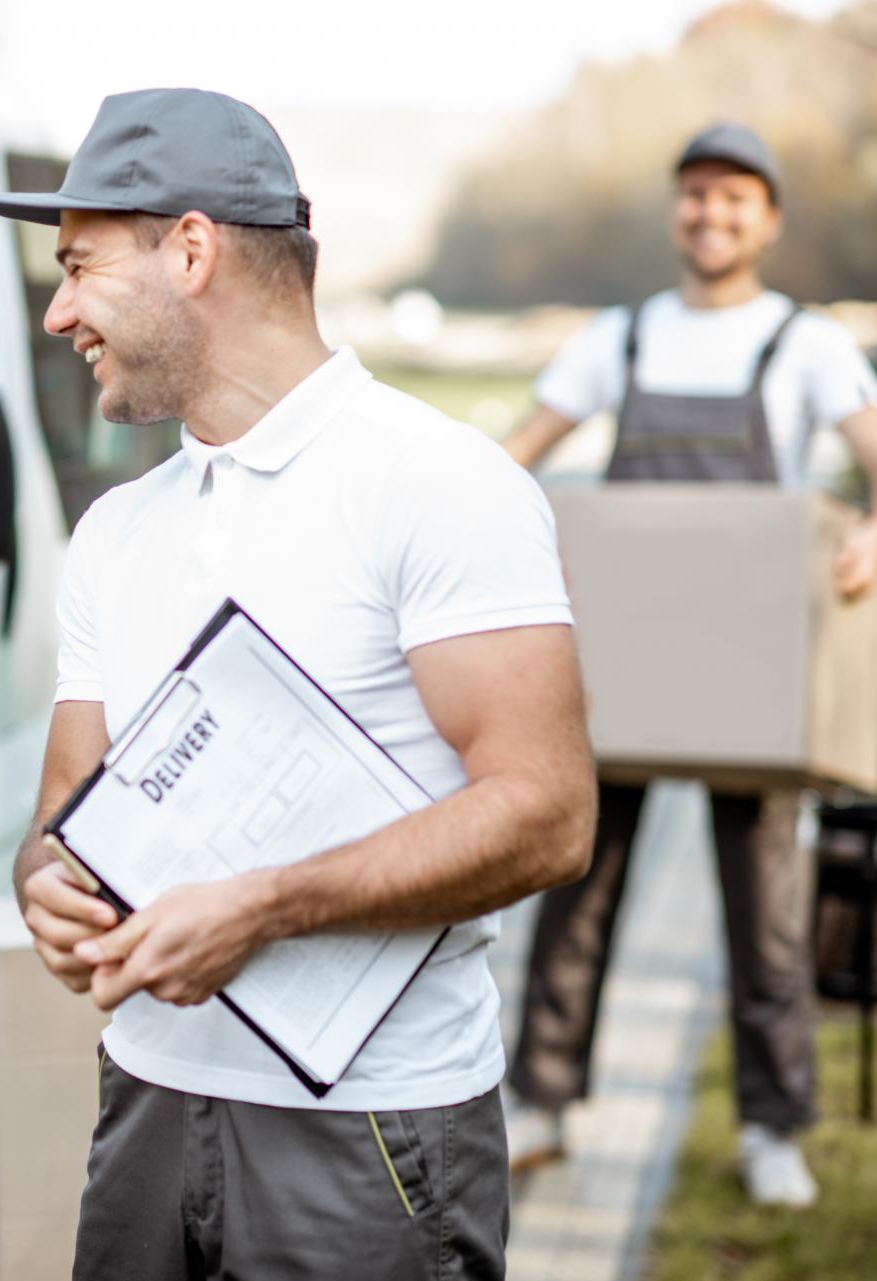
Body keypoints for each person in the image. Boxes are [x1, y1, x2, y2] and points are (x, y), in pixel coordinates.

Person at [0, 90, 596, 1279]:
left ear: (191, 250)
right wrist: (46, 887)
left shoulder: (437, 485)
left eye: (78, 267)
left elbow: (549, 815)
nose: (57, 313)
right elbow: (63, 823)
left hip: (372, 1135)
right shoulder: (113, 532)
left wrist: (264, 907)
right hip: (146, 1107)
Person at [501, 121, 877, 1206]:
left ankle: (775, 1129)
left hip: (751, 678)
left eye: (734, 197)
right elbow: (515, 457)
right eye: (695, 195)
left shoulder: (803, 344)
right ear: (678, 210)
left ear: (769, 219)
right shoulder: (617, 340)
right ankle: (542, 1103)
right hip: (618, 669)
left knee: (765, 909)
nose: (711, 214)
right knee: (572, 885)